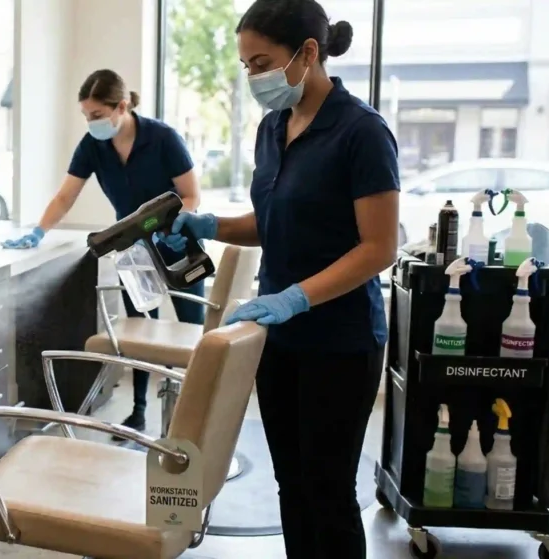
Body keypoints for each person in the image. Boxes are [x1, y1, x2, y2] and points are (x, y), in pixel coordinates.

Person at [161, 1, 398, 557]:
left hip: (340, 342)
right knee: (291, 483)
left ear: (308, 52)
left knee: (328, 491)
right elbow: (273, 221)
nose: (253, 77)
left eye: (262, 63)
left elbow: (378, 247)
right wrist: (211, 225)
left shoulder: (361, 132)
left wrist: (296, 297)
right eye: (247, 66)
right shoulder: (273, 127)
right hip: (278, 339)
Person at [2, 69, 204, 435]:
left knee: (192, 336)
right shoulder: (93, 146)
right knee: (141, 331)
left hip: (178, 245)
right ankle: (139, 411)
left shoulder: (163, 138)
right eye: (86, 115)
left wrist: (175, 227)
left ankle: (190, 424)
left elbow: (191, 195)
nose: (91, 122)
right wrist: (38, 231)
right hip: (135, 250)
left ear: (121, 107)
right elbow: (65, 196)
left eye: (97, 114)